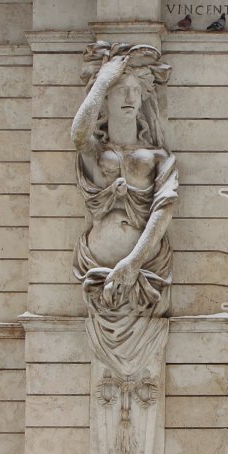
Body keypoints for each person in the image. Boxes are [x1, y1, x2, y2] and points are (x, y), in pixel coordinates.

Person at [71, 43, 178, 390]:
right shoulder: (96, 155)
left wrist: (133, 263)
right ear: (106, 98)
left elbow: (163, 211)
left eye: (136, 90)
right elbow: (78, 134)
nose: (129, 96)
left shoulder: (159, 158)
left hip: (143, 272)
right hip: (97, 278)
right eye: (121, 89)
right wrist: (102, 80)